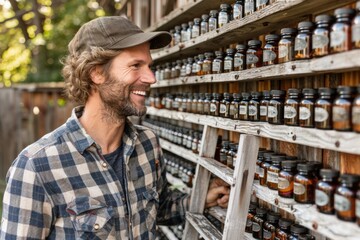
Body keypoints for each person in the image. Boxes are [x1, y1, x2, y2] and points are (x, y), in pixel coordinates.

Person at [0, 16, 230, 239]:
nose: (151, 78)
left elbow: (156, 209)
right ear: (97, 73)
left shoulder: (147, 144)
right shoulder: (37, 166)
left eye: (149, 66)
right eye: (136, 65)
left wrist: (202, 199)